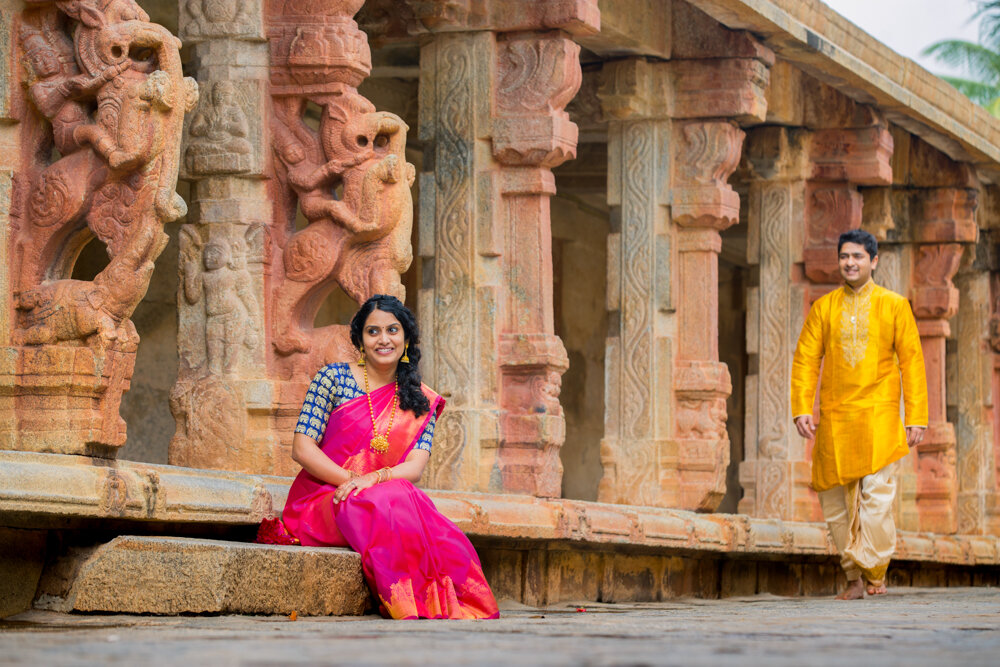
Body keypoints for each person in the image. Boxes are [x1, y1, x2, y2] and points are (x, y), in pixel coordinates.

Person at [258, 294, 499, 620]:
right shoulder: (333, 379)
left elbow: (414, 466)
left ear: (406, 337)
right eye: (373, 332)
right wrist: (355, 483)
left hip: (383, 496)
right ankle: (408, 605)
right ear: (360, 339)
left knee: (415, 505)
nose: (383, 339)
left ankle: (445, 601)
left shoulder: (421, 399)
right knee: (396, 498)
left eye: (392, 330)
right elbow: (302, 448)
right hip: (325, 498)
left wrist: (374, 479)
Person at [791, 229, 927, 600]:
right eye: (844, 257)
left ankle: (876, 572)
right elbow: (806, 359)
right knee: (836, 505)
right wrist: (802, 407)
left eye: (857, 257)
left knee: (876, 500)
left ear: (874, 261)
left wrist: (916, 416)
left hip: (879, 418)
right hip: (836, 418)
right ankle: (853, 577)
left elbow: (912, 362)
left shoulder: (895, 305)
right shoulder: (824, 308)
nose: (849, 263)